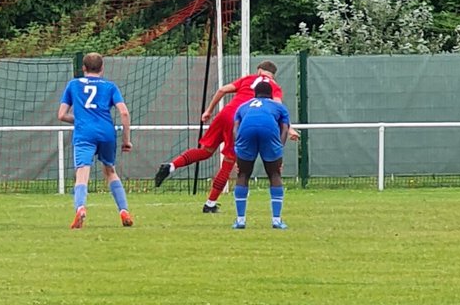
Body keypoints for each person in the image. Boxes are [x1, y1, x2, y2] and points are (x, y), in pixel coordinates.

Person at [154, 61, 290, 212]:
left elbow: (222, 90)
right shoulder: (274, 86)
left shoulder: (248, 79)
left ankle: (171, 166)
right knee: (228, 162)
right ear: (272, 75)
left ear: (259, 71)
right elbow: (278, 107)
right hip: (239, 120)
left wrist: (208, 111)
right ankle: (210, 204)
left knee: (205, 151)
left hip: (224, 114)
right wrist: (289, 129)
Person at [58, 52, 133, 229]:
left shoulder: (73, 85)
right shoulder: (110, 86)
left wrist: (82, 120)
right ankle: (124, 210)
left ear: (83, 68)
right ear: (102, 68)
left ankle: (81, 208)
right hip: (107, 133)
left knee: (82, 173)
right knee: (110, 171)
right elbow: (124, 113)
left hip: (84, 133)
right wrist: (126, 140)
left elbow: (61, 115)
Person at [231, 80, 290, 229]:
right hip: (268, 130)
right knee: (275, 174)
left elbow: (235, 129)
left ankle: (240, 220)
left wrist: (238, 150)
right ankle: (276, 220)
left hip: (246, 131)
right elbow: (284, 129)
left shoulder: (243, 107)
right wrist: (279, 150)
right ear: (270, 95)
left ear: (254, 94)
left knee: (243, 174)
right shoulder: (278, 107)